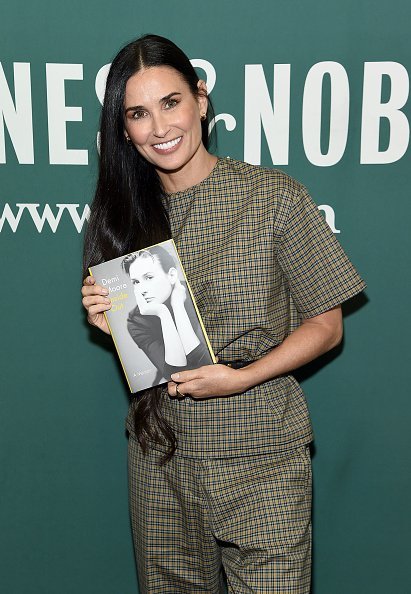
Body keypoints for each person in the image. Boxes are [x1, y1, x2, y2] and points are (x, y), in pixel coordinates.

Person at [81, 34, 366, 594]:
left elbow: (327, 326)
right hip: (162, 457)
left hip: (261, 452)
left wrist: (241, 376)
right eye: (138, 113)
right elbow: (152, 341)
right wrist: (111, 320)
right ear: (123, 128)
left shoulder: (274, 197)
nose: (160, 128)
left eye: (171, 103)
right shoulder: (121, 216)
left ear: (201, 99)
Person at [122, 246, 212, 385]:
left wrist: (178, 306)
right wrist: (163, 313)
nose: (142, 289)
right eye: (136, 282)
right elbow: (176, 375)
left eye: (149, 277)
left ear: (171, 275)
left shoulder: (194, 291)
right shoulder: (136, 320)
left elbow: (207, 366)